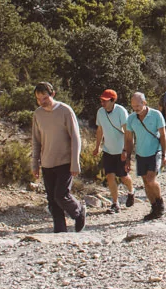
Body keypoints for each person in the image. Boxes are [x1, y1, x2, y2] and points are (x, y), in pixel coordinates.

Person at [29, 82, 85, 233]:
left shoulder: (65, 110)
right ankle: (60, 231)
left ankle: (78, 211)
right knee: (52, 201)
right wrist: (35, 164)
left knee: (61, 195)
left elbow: (75, 137)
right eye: (39, 99)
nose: (42, 102)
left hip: (65, 161)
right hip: (47, 163)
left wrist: (75, 162)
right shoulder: (38, 114)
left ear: (52, 94)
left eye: (45, 98)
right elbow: (36, 141)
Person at [124, 92, 166, 221]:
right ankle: (154, 208)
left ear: (144, 103)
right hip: (141, 153)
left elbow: (163, 135)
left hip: (155, 152)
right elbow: (129, 139)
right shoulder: (131, 119)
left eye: (138, 105)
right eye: (133, 106)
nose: (136, 108)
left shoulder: (156, 115)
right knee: (145, 182)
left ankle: (160, 203)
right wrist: (127, 158)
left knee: (150, 179)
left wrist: (164, 154)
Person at [94, 88, 134, 213]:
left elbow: (127, 131)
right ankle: (115, 203)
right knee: (109, 176)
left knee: (123, 176)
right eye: (102, 100)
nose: (103, 103)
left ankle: (131, 191)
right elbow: (100, 130)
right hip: (108, 150)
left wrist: (125, 150)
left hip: (120, 150)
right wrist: (97, 147)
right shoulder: (100, 112)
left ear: (113, 100)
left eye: (105, 101)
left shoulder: (121, 111)